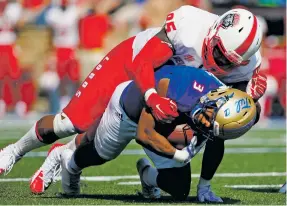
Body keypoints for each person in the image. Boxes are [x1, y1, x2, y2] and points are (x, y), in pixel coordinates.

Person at [1, 6, 266, 202]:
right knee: (72, 122)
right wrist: (152, 97)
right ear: (214, 31)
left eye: (228, 60)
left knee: (179, 185)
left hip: (172, 93)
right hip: (135, 66)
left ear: (243, 61)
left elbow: (230, 119)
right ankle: (15, 150)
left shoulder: (246, 69)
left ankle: (75, 156)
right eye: (217, 50)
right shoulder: (189, 26)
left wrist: (252, 101)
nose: (219, 61)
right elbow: (143, 63)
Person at [30, 65, 257, 200]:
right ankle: (67, 159)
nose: (204, 123)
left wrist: (204, 187)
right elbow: (144, 132)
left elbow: (216, 139)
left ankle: (148, 176)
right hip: (130, 111)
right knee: (100, 155)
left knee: (178, 189)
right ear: (215, 100)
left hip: (165, 123)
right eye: (208, 118)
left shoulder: (218, 106)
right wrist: (178, 155)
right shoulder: (180, 87)